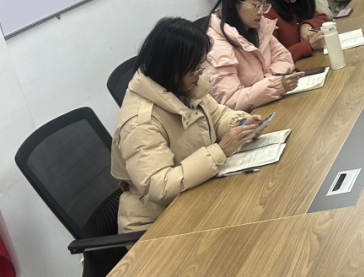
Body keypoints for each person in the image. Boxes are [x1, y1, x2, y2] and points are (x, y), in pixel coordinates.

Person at [112, 17, 263, 233]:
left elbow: (216, 115)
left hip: (194, 199)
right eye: (194, 68)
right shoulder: (139, 123)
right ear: (170, 67)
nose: (200, 74)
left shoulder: (184, 87)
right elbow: (160, 185)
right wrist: (220, 151)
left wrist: (239, 123)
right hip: (156, 226)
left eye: (201, 65)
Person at [204, 0, 300, 111]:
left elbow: (284, 57)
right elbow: (229, 101)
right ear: (232, 3)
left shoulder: (258, 27)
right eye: (256, 5)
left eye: (264, 5)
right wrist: (274, 85)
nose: (261, 12)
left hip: (269, 103)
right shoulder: (215, 45)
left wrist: (270, 81)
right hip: (247, 117)